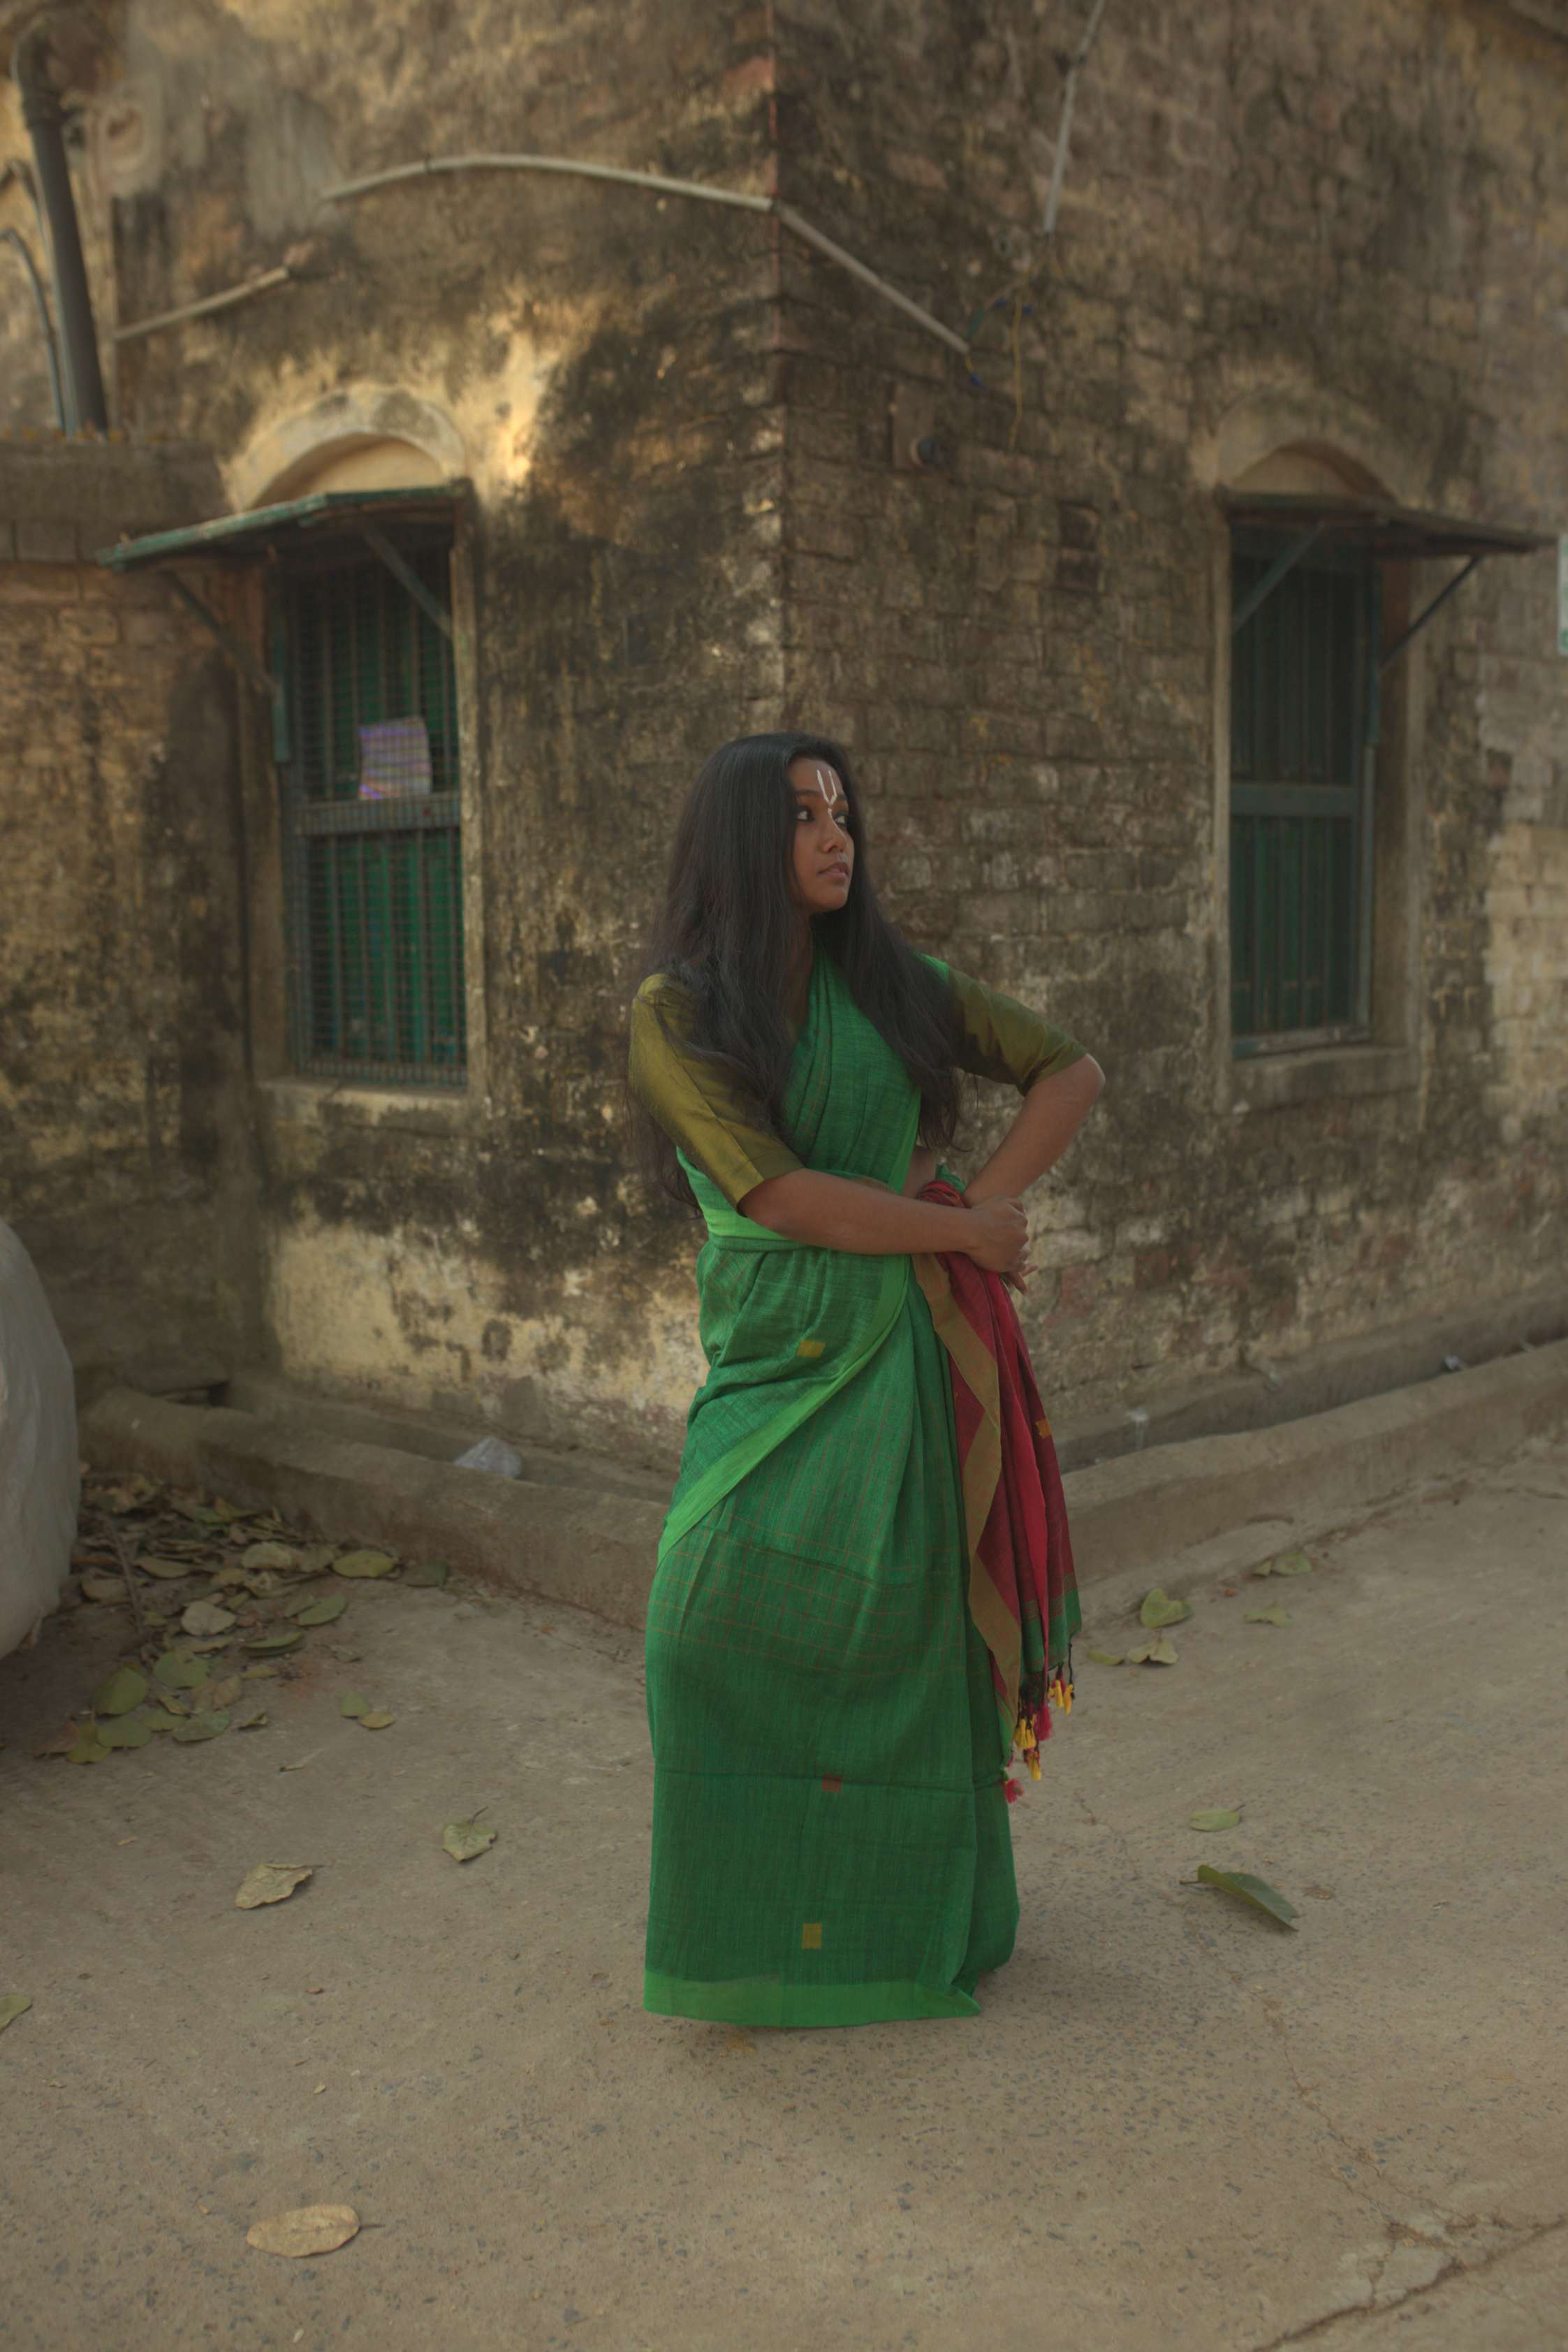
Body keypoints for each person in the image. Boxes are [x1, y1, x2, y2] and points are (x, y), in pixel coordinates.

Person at [625, 731, 1104, 2028]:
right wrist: (962, 1229)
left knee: (904, 1644)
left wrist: (979, 1207)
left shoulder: (893, 982)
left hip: (901, 1344)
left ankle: (904, 1935)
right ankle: (748, 1929)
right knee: (699, 1622)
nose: (836, 836)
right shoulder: (676, 1012)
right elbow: (774, 1193)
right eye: (800, 815)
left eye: (842, 811)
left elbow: (1070, 1069)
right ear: (739, 840)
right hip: (774, 1351)